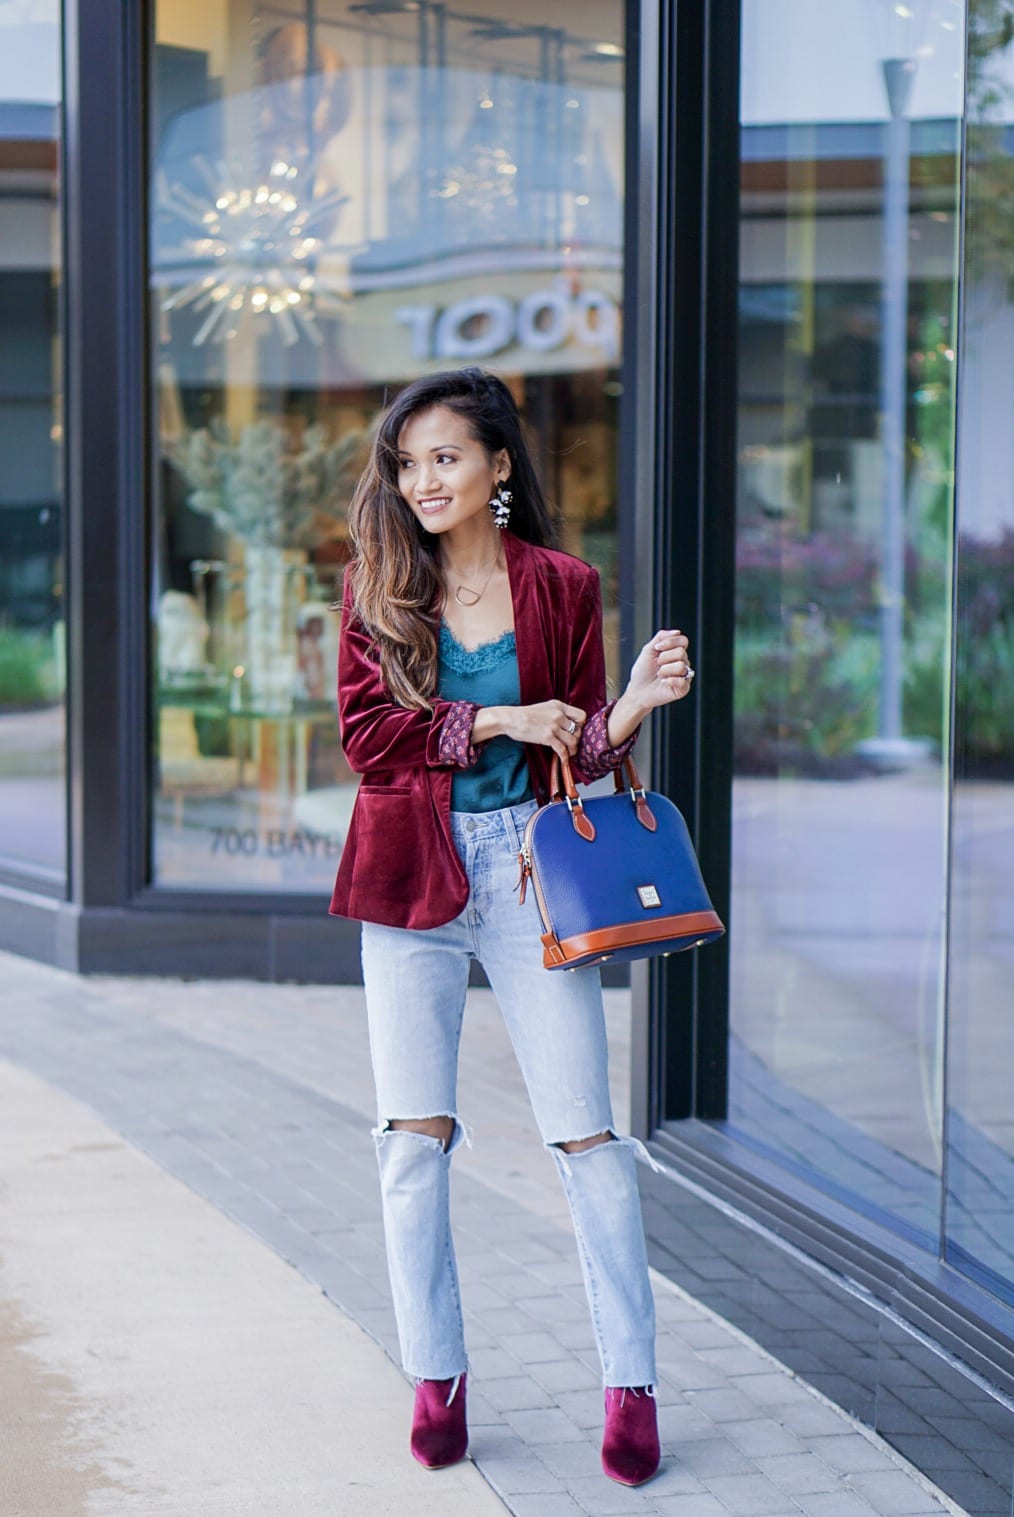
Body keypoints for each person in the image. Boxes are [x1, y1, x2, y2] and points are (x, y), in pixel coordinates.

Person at [329, 367, 694, 1487]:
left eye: (446, 457)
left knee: (589, 1138)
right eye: (408, 461)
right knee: (411, 1143)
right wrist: (493, 713)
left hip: (531, 871)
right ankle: (438, 1376)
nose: (423, 479)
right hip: (409, 882)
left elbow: (575, 754)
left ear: (496, 465)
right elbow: (367, 740)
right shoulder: (376, 586)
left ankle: (629, 1385)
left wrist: (627, 705)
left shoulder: (561, 585)